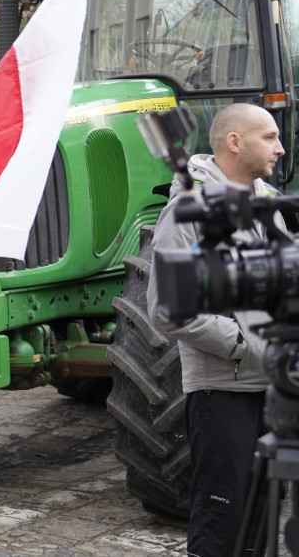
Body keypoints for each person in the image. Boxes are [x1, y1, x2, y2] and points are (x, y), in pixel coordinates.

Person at [147, 102, 282, 557]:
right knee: (224, 525)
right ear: (234, 142)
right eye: (270, 137)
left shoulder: (268, 205)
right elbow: (169, 309)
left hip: (273, 390)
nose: (280, 148)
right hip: (224, 394)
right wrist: (244, 346)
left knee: (262, 520)